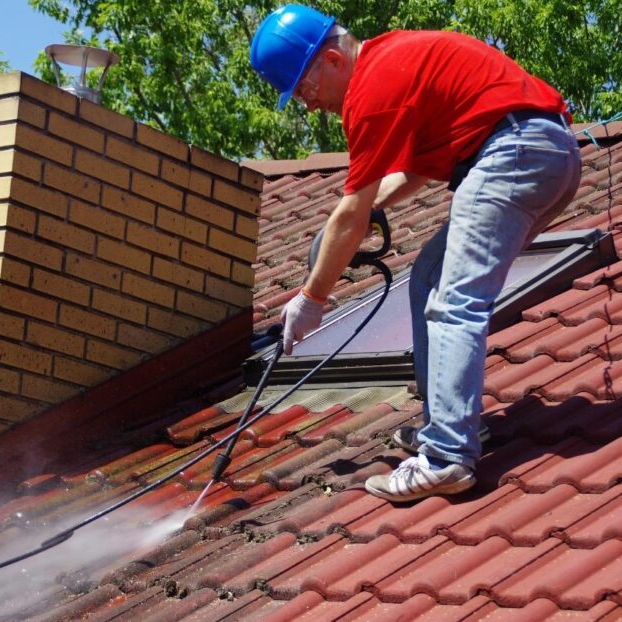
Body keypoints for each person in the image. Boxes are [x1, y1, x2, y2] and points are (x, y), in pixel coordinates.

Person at [249, 5, 581, 502]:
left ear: (334, 60)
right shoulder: (395, 64)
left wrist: (311, 298)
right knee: (428, 275)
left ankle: (447, 455)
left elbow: (350, 210)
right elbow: (418, 173)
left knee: (454, 301)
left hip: (514, 149)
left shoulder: (371, 90)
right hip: (544, 153)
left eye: (304, 89)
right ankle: (446, 421)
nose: (309, 105)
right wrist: (366, 212)